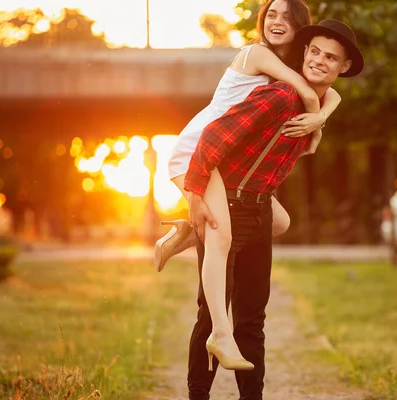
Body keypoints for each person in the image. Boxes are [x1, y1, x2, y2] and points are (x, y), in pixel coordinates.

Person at [154, 0, 342, 372]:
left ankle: (186, 234)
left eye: (287, 17)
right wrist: (317, 122)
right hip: (197, 150)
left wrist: (319, 116)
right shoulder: (257, 54)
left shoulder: (287, 67)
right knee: (221, 235)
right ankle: (220, 334)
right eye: (271, 14)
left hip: (219, 155)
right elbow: (313, 91)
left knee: (279, 221)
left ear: (299, 27)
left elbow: (330, 93)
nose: (276, 21)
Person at [184, 19, 364, 399]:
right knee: (212, 318)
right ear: (303, 53)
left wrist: (321, 118)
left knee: (252, 322)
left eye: (330, 57)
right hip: (226, 207)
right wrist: (196, 196)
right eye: (314, 51)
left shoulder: (316, 107)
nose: (319, 61)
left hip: (261, 210)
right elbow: (213, 138)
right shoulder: (281, 96)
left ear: (343, 67)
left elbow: (329, 99)